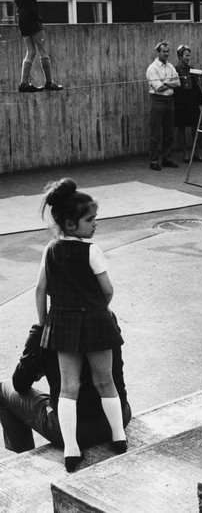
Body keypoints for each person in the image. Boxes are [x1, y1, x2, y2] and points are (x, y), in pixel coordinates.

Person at [33, 179, 128, 470]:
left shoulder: (50, 249)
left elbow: (40, 290)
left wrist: (45, 323)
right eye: (90, 219)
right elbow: (108, 289)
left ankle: (71, 449)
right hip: (95, 319)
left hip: (62, 322)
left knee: (67, 387)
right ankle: (118, 435)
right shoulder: (92, 251)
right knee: (104, 380)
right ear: (71, 224)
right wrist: (101, 308)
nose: (95, 224)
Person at [0, 322, 131, 457]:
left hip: (72, 432)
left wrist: (39, 363)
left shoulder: (45, 331)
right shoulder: (105, 317)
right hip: (120, 417)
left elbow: (20, 383)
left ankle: (23, 458)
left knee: (3, 388)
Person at [14, 0, 63, 93]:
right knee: (43, 50)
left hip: (22, 19)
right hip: (32, 18)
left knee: (31, 51)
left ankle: (24, 83)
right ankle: (49, 82)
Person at [146, 42, 181, 171]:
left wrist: (166, 82)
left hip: (170, 101)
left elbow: (178, 83)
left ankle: (167, 158)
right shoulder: (152, 68)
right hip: (157, 100)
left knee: (169, 132)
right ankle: (154, 160)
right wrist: (169, 82)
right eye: (163, 51)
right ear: (158, 52)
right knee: (155, 133)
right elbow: (159, 88)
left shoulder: (171, 66)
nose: (166, 54)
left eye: (167, 51)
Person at [173, 44, 202, 163]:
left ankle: (196, 151)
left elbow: (197, 87)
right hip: (181, 103)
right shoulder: (175, 69)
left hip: (192, 102)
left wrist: (199, 101)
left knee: (198, 126)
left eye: (189, 55)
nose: (188, 57)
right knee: (181, 127)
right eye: (186, 55)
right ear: (180, 57)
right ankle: (185, 153)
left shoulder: (192, 69)